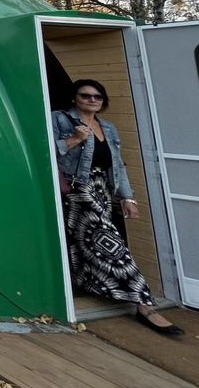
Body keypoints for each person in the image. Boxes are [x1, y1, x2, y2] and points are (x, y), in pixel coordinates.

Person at [53, 79, 184, 336]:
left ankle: (90, 285)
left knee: (87, 243)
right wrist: (74, 140)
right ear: (74, 98)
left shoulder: (108, 128)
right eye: (86, 95)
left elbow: (118, 165)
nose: (92, 100)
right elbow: (45, 151)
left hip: (103, 189)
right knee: (109, 243)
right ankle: (144, 303)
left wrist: (128, 197)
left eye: (97, 97)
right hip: (78, 189)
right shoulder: (60, 120)